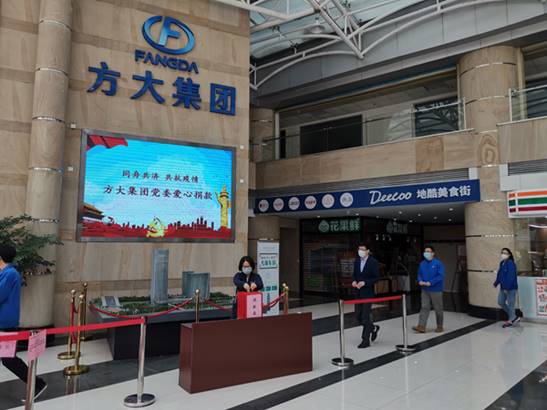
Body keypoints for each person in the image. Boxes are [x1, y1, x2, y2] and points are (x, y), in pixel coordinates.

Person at [0, 244, 47, 399]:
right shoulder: (6, 273)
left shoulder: (10, 274)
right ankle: (37, 383)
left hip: (5, 324)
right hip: (4, 322)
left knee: (9, 360)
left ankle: (37, 383)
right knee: (8, 359)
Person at [352, 243, 380, 348]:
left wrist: (365, 282)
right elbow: (354, 274)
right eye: (359, 249)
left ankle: (365, 340)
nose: (360, 251)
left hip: (368, 292)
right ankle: (373, 328)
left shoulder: (373, 262)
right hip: (358, 292)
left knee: (365, 316)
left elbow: (376, 278)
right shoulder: (357, 261)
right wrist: (354, 281)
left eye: (363, 249)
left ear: (368, 251)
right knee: (358, 316)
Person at [413, 245, 445, 333]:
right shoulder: (422, 264)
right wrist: (420, 281)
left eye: (428, 251)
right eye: (425, 251)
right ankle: (421, 326)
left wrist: (431, 282)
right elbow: (419, 275)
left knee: (438, 308)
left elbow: (440, 276)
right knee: (424, 307)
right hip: (425, 289)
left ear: (433, 253)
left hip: (436, 290)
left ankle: (439, 326)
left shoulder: (438, 263)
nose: (426, 253)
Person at [493, 247, 520, 328]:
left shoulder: (511, 263)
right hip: (503, 287)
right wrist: (496, 283)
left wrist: (506, 288)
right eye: (502, 252)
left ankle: (511, 319)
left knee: (511, 304)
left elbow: (511, 277)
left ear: (509, 254)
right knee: (500, 301)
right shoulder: (502, 263)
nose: (503, 254)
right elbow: (500, 274)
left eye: (505, 253)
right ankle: (514, 317)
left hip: (510, 288)